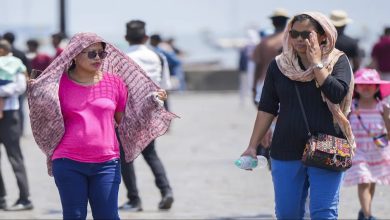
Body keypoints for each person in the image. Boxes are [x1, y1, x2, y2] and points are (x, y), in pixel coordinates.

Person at [27, 32, 177, 219]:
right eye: (92, 53)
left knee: (108, 216)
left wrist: (150, 104)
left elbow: (126, 121)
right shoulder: (57, 84)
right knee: (74, 216)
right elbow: (44, 120)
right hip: (67, 161)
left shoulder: (114, 83)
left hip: (107, 163)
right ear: (74, 54)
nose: (98, 57)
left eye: (101, 53)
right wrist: (37, 94)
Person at [240, 12, 355, 219]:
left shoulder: (337, 61)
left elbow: (337, 93)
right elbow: (267, 107)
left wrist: (317, 64)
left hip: (328, 146)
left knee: (324, 213)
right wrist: (252, 145)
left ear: (322, 35)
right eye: (294, 34)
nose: (300, 39)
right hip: (285, 147)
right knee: (287, 213)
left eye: (306, 34)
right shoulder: (279, 65)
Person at [118, 20, 174, 212]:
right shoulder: (158, 56)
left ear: (126, 38)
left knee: (125, 157)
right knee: (151, 154)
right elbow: (166, 86)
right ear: (146, 37)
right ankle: (166, 191)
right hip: (150, 111)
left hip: (126, 113)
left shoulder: (121, 58)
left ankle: (134, 200)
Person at [344, 68, 390, 220]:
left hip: (377, 152)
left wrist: (388, 118)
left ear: (377, 87)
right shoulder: (351, 107)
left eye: (370, 84)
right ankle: (369, 215)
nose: (366, 87)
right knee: (364, 180)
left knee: (372, 183)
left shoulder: (382, 107)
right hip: (358, 152)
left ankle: (364, 212)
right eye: (362, 84)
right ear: (356, 87)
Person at [0, 41, 32, 211]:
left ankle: (25, 198)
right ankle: (1, 198)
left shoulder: (15, 64)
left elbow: (20, 86)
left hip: (10, 115)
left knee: (15, 157)